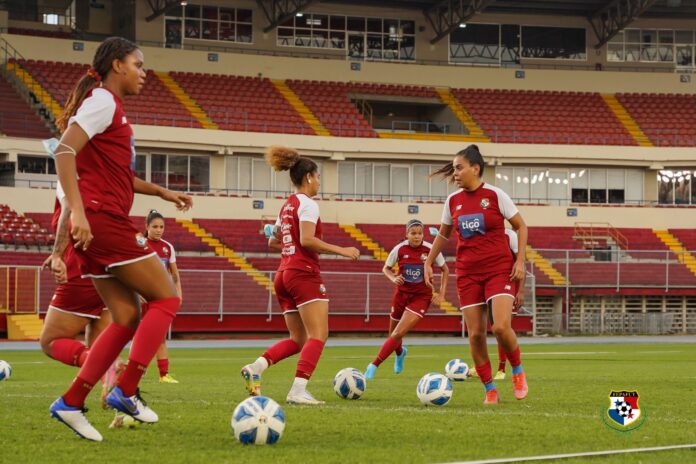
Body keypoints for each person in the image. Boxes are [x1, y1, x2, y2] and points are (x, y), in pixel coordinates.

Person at [46, 36, 192, 442]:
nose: (143, 72)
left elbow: (119, 175)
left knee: (127, 315)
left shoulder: (109, 107)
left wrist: (162, 192)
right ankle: (126, 390)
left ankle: (71, 402)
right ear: (116, 65)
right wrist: (78, 212)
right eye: (138, 64)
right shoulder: (103, 101)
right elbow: (63, 152)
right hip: (101, 220)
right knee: (167, 298)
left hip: (96, 223)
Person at [240, 146, 360, 405]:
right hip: (302, 274)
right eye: (318, 177)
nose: (319, 182)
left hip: (283, 274)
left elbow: (273, 242)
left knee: (298, 339)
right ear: (308, 177)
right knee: (318, 335)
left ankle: (255, 368)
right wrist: (343, 250)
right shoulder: (308, 204)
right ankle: (298, 390)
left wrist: (287, 241)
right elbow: (307, 240)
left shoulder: (287, 205)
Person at [424, 144, 528, 405]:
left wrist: (520, 261)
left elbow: (521, 226)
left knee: (500, 327)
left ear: (475, 168)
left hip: (498, 269)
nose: (455, 173)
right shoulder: (452, 201)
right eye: (454, 168)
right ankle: (490, 389)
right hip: (468, 273)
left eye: (459, 168)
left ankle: (517, 370)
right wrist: (429, 261)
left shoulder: (495, 195)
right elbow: (444, 234)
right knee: (476, 335)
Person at [41, 182, 123, 405]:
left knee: (50, 341)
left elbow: (70, 208)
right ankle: (116, 398)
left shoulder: (70, 172)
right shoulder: (106, 178)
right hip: (110, 270)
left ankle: (108, 365)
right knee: (99, 343)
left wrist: (57, 254)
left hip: (82, 269)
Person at [364, 219, 448, 379]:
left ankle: (373, 365)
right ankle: (400, 353)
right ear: (407, 234)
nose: (417, 236)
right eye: (413, 233)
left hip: (421, 297)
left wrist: (442, 293)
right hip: (401, 295)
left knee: (397, 333)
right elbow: (386, 268)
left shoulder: (431, 249)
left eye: (420, 233)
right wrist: (393, 278)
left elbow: (445, 269)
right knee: (393, 335)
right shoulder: (399, 249)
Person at [469, 228, 526, 380]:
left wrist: (520, 291)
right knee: (481, 329)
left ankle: (502, 369)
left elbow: (521, 264)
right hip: (489, 286)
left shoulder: (510, 235)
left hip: (507, 287)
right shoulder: (482, 234)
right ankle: (479, 366)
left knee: (501, 329)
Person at [142, 209, 182, 384]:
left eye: (161, 227)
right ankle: (137, 368)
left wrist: (178, 294)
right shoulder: (140, 244)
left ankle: (164, 374)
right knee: (140, 335)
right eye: (155, 227)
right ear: (147, 227)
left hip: (160, 297)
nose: (159, 230)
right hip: (142, 297)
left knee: (160, 336)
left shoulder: (168, 247)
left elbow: (174, 274)